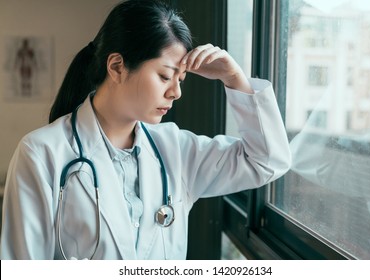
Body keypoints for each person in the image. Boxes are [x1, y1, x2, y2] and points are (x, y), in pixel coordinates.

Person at [0, 0, 291, 260]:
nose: (176, 92)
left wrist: (234, 77)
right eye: (165, 76)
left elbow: (267, 161)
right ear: (116, 67)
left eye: (181, 79)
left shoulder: (175, 150)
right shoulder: (42, 153)